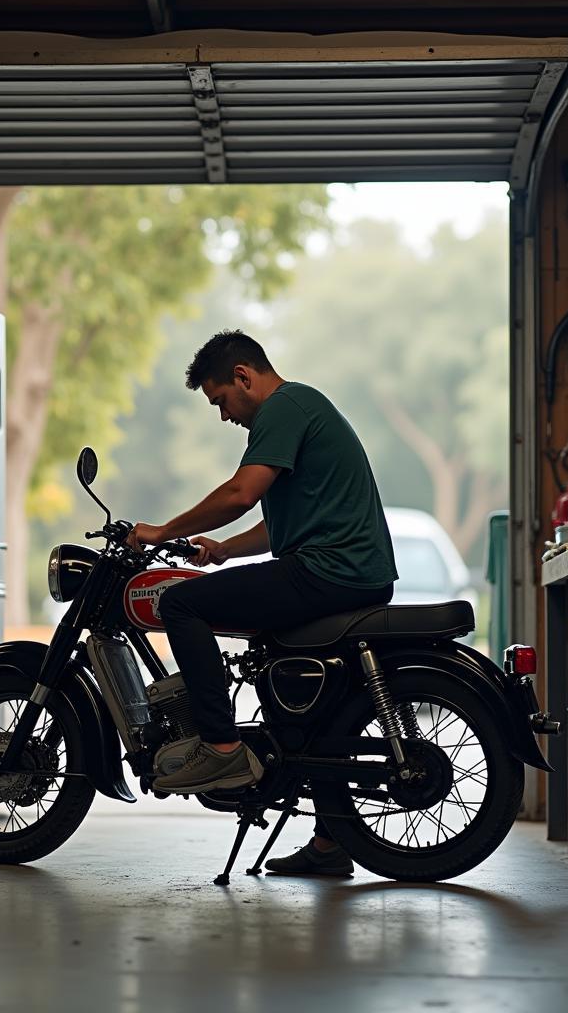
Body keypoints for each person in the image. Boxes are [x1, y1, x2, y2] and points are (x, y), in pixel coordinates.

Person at [126, 330, 397, 876]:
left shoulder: (285, 407)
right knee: (287, 685)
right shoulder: (302, 410)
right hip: (343, 570)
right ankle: (331, 841)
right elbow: (281, 525)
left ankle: (221, 749)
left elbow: (238, 493)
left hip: (331, 571)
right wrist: (223, 550)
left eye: (221, 400)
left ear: (244, 377)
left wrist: (161, 531)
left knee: (183, 606)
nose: (224, 416)